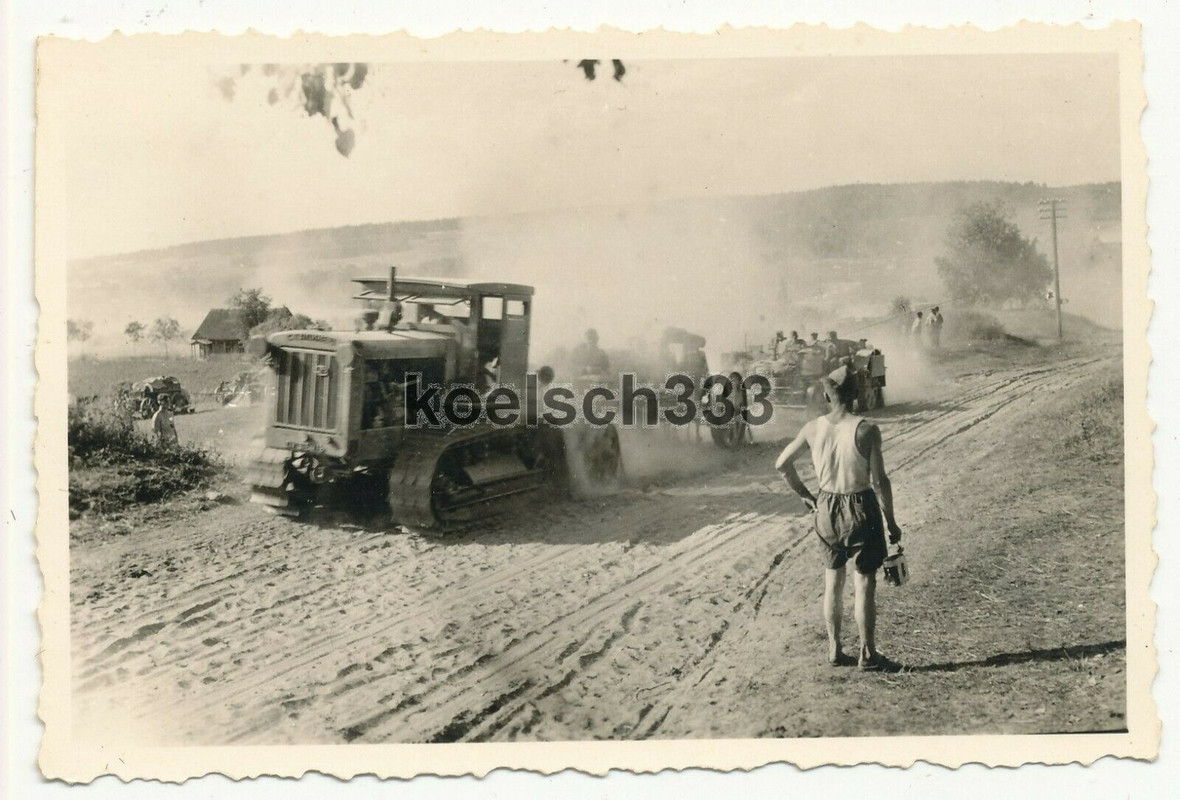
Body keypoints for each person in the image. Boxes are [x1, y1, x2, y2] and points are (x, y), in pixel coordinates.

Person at [774, 365, 904, 670]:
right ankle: (868, 654)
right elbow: (880, 481)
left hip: (826, 506)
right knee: (864, 583)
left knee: (833, 581)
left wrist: (805, 496)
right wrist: (892, 522)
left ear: (826, 395)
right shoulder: (867, 429)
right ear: (857, 394)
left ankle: (834, 649)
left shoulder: (812, 428)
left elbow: (781, 464)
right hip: (860, 506)